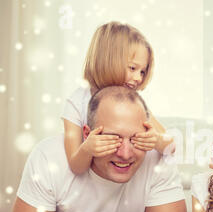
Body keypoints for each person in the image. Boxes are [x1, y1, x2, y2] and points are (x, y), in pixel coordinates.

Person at [6, 86, 187, 212]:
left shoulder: (158, 159)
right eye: (112, 139)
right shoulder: (49, 156)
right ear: (87, 134)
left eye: (136, 139)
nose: (125, 154)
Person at [63, 21, 173, 176]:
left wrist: (157, 141)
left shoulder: (133, 104)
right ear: (107, 60)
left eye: (142, 71)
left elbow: (171, 146)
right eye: (133, 68)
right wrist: (87, 149)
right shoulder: (76, 102)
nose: (138, 78)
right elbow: (76, 167)